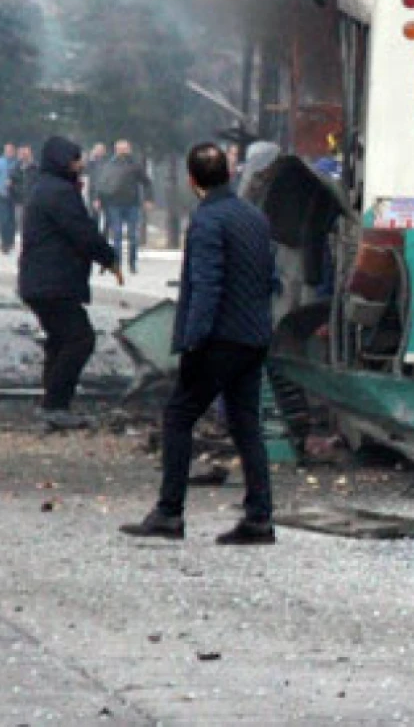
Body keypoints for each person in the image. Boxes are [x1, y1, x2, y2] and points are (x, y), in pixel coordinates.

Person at [120, 143, 279, 545]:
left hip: (218, 340)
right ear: (228, 172)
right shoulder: (254, 218)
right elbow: (270, 280)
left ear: (193, 181)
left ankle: (169, 513)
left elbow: (207, 286)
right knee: (246, 425)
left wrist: (192, 343)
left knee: (178, 416)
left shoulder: (208, 222)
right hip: (253, 336)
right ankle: (259, 519)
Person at [17, 137, 122, 429]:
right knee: (79, 338)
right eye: (75, 159)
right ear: (62, 161)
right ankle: (55, 405)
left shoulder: (46, 187)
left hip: (41, 280)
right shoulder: (59, 192)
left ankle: (51, 402)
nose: (81, 164)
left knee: (60, 339)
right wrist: (109, 258)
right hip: (53, 281)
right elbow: (82, 231)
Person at [95, 140, 155, 274]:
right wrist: (98, 198)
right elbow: (102, 183)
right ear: (116, 150)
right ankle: (117, 263)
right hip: (114, 205)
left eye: (125, 149)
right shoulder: (110, 165)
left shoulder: (135, 166)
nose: (122, 151)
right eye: (120, 149)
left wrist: (148, 199)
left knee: (133, 236)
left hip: (132, 204)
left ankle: (132, 263)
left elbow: (147, 182)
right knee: (117, 235)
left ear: (129, 149)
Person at [0, 143, 19, 253]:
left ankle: (10, 241)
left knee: (11, 220)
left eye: (11, 150)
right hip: (1, 194)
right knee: (3, 219)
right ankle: (4, 242)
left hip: (13, 195)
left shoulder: (17, 163)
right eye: (7, 150)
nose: (9, 152)